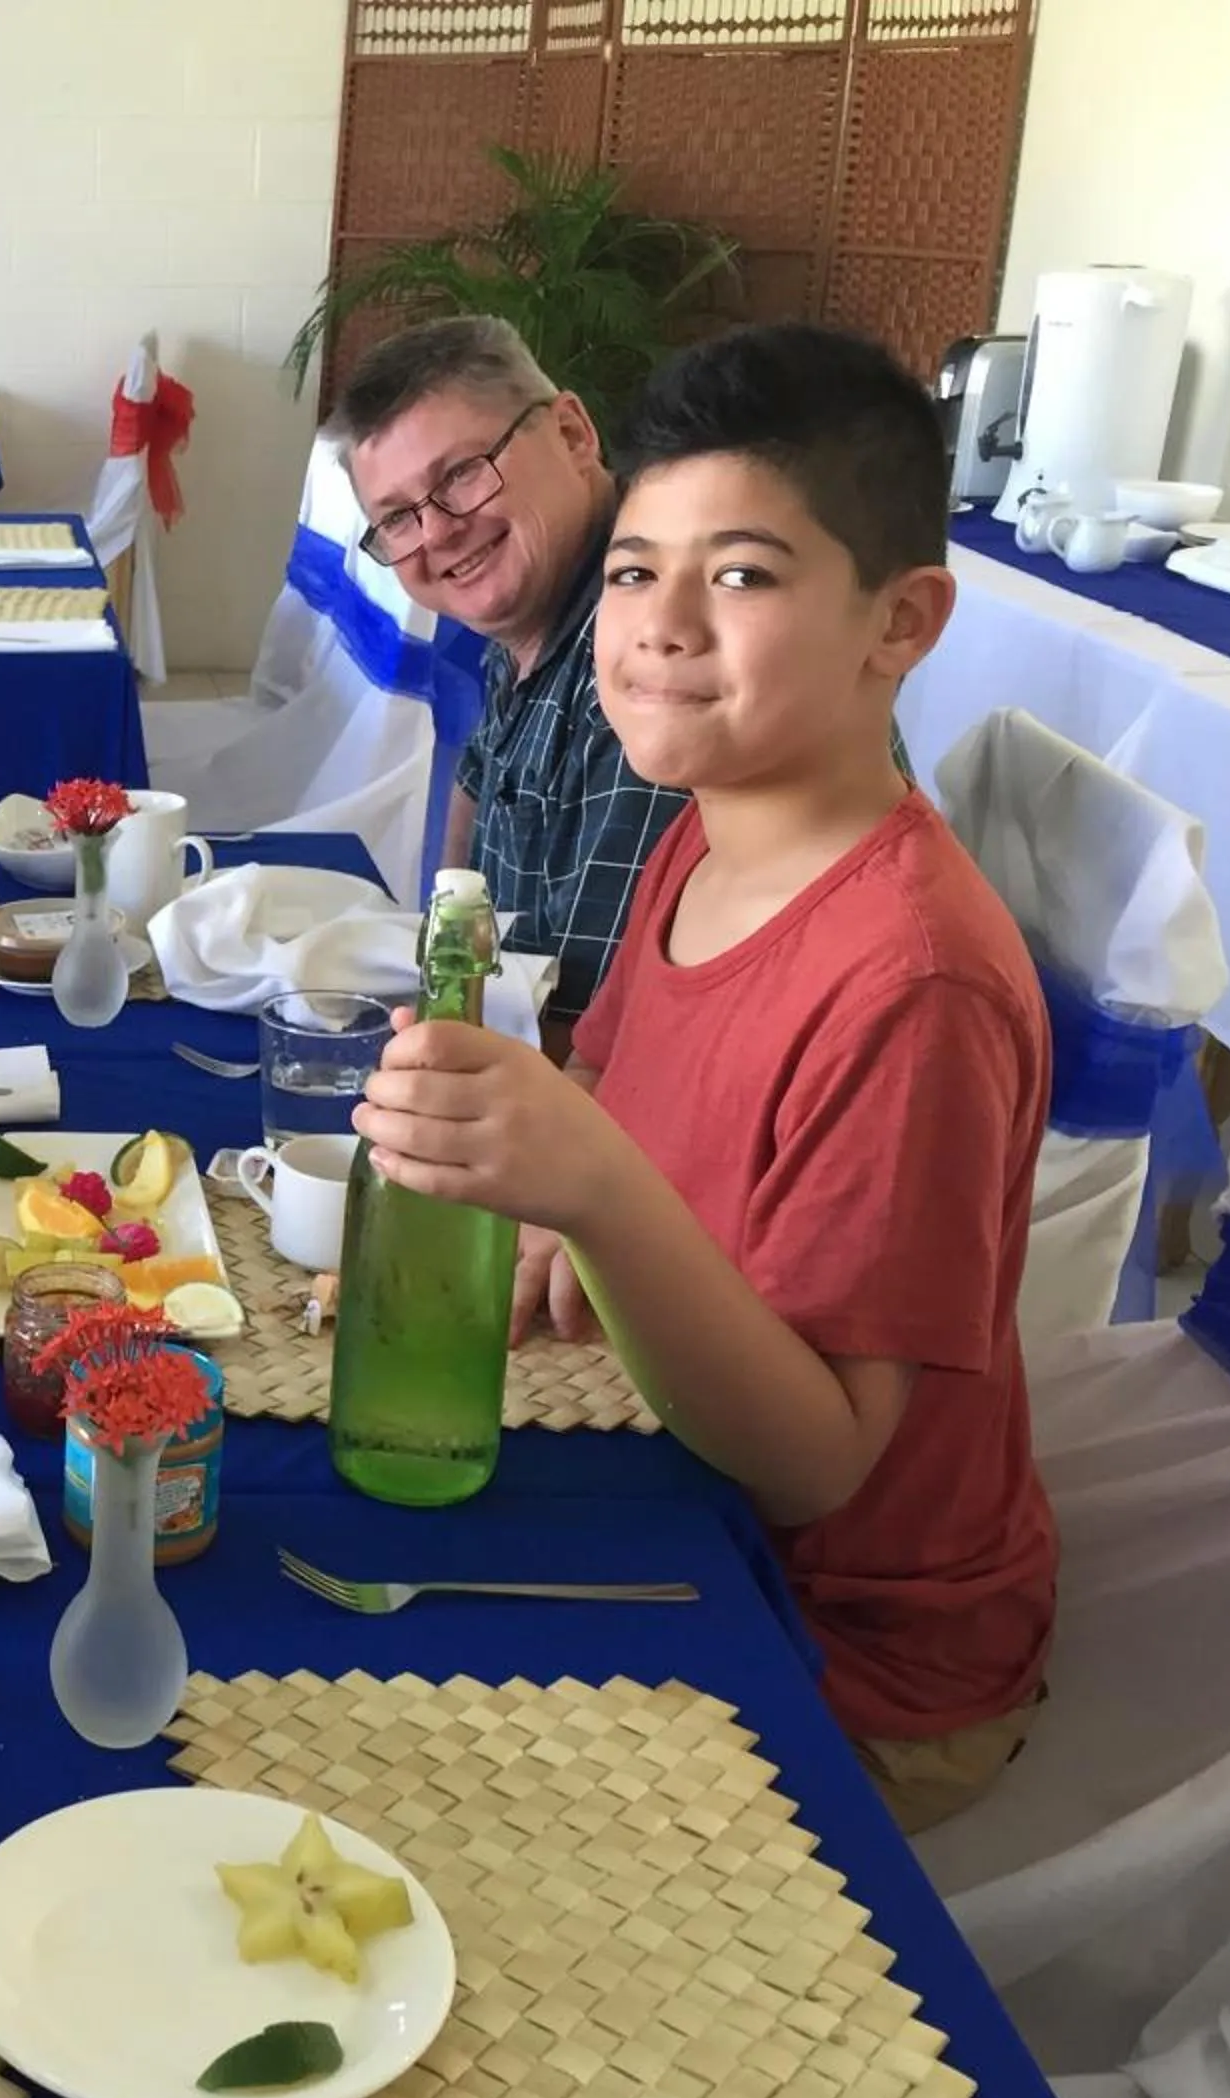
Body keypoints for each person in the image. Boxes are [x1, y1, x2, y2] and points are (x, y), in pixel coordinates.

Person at [351, 324, 1054, 1834]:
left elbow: (817, 1467)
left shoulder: (911, 980)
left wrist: (591, 1192)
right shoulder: (707, 822)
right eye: (632, 569)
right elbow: (614, 1090)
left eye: (741, 573)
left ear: (901, 620)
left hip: (840, 1651)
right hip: (678, 1480)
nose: (659, 624)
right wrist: (548, 1215)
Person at [334, 315, 685, 1045]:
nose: (435, 534)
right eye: (397, 518)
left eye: (461, 474)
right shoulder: (531, 621)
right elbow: (463, 877)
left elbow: (602, 1041)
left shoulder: (650, 655)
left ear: (572, 434)